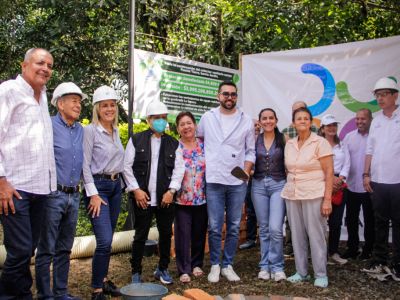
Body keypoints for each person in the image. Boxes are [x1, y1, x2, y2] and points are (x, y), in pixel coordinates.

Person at [0, 48, 56, 299]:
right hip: (15, 188)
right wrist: (1, 181)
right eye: (40, 63)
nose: (45, 68)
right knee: (20, 251)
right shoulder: (8, 91)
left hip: (40, 189)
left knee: (28, 250)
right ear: (24, 65)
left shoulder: (43, 96)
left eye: (50, 65)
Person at [197, 81, 256, 283]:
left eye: (233, 94)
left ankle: (227, 265)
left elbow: (250, 151)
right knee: (214, 225)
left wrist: (245, 173)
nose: (229, 98)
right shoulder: (207, 117)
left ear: (236, 97)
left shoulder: (246, 120)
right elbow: (199, 141)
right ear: (218, 96)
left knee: (232, 225)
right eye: (225, 94)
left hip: (237, 180)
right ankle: (214, 264)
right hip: (213, 178)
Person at [35, 82, 87, 300]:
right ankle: (45, 295)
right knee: (46, 248)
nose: (78, 105)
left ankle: (60, 292)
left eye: (79, 101)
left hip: (74, 195)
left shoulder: (80, 129)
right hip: (53, 195)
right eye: (74, 101)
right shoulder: (47, 125)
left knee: (65, 248)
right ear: (60, 103)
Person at [123, 101, 184, 285]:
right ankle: (136, 271)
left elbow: (179, 170)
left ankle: (163, 269)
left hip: (165, 198)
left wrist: (171, 191)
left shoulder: (174, 143)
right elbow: (126, 167)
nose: (160, 121)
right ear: (148, 120)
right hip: (143, 198)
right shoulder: (136, 140)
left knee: (166, 234)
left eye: (163, 118)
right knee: (140, 235)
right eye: (156, 118)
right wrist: (136, 190)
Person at [281, 107, 333, 288]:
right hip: (292, 194)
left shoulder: (320, 142)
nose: (302, 121)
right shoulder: (289, 144)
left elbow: (329, 171)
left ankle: (320, 274)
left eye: (305, 118)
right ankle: (301, 272)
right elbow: (288, 169)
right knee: (296, 234)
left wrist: (327, 199)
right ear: (293, 123)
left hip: (314, 193)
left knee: (316, 235)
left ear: (311, 122)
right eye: (299, 118)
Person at [82, 85, 124, 300]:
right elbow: (84, 165)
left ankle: (104, 280)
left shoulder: (116, 131)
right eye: (105, 105)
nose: (109, 109)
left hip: (116, 188)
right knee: (105, 240)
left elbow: (121, 163)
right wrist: (93, 194)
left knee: (109, 239)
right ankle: (97, 290)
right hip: (99, 189)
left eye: (113, 105)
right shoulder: (90, 131)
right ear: (97, 108)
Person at [363, 77, 400, 280]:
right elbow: (370, 150)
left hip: (398, 182)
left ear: (395, 95)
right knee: (379, 222)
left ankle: (398, 263)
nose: (380, 99)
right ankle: (379, 260)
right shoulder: (376, 121)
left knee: (399, 222)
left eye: (384, 94)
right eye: (378, 95)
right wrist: (366, 174)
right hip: (377, 181)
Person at [251, 108, 287, 281]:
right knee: (264, 229)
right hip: (258, 185)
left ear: (276, 120)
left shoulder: (283, 139)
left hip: (278, 184)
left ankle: (278, 266)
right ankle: (264, 266)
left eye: (271, 118)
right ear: (260, 121)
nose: (268, 121)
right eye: (264, 118)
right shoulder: (254, 140)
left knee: (275, 228)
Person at [174, 111, 207, 283]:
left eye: (189, 123)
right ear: (178, 129)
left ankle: (196, 264)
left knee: (199, 233)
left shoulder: (204, 145)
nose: (186, 127)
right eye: (182, 124)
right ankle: (183, 269)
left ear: (195, 125)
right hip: (182, 199)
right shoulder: (175, 147)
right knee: (182, 234)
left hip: (202, 197)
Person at [281, 101, 318, 257]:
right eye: (296, 112)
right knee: (292, 219)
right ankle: (291, 246)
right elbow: (284, 156)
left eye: (303, 113)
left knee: (312, 221)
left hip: (311, 184)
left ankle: (312, 251)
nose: (300, 117)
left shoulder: (316, 131)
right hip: (292, 181)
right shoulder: (285, 132)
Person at [342, 109, 375, 260]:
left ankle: (368, 249)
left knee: (369, 219)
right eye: (357, 119)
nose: (360, 121)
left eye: (363, 119)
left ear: (370, 119)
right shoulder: (349, 137)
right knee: (351, 219)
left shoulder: (375, 137)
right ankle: (352, 248)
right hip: (351, 185)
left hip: (370, 185)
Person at [318, 114, 349, 265]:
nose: (332, 128)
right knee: (320, 221)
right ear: (322, 129)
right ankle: (320, 254)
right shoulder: (317, 144)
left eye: (334, 125)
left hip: (339, 185)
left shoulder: (342, 144)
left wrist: (340, 179)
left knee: (336, 221)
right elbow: (316, 165)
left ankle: (333, 252)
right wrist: (329, 178)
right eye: (328, 125)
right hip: (321, 182)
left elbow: (347, 164)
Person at [239, 121, 260, 250]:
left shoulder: (266, 141)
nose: (257, 127)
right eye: (254, 125)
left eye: (258, 124)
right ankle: (251, 239)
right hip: (249, 180)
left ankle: (265, 238)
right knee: (251, 211)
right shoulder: (243, 142)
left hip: (264, 179)